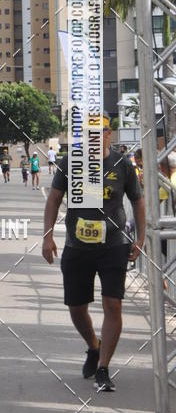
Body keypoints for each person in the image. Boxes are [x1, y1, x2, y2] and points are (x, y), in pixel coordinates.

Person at [42, 113, 145, 393]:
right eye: (90, 132)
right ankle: (93, 345)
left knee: (113, 305)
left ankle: (103, 367)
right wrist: (47, 237)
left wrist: (141, 238)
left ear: (110, 134)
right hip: (77, 246)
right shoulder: (71, 162)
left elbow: (138, 202)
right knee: (77, 308)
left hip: (114, 246)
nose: (96, 137)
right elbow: (54, 199)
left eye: (101, 132)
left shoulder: (122, 164)